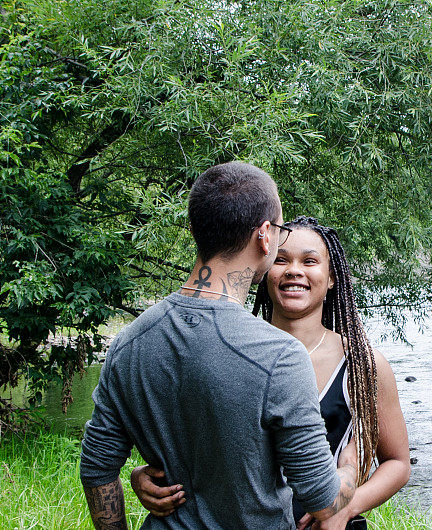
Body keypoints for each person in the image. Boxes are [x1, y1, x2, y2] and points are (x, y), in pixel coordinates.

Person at [79, 163, 357, 529]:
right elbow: (323, 501)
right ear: (264, 236)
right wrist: (351, 463)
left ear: (196, 230)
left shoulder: (129, 342)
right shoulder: (279, 355)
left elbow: (97, 466)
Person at [131, 216, 411, 529]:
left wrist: (346, 507)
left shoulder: (362, 364)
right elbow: (200, 444)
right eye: (281, 259)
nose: (294, 270)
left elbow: (397, 463)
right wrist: (145, 475)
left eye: (309, 261)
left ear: (331, 277)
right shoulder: (228, 349)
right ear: (265, 271)